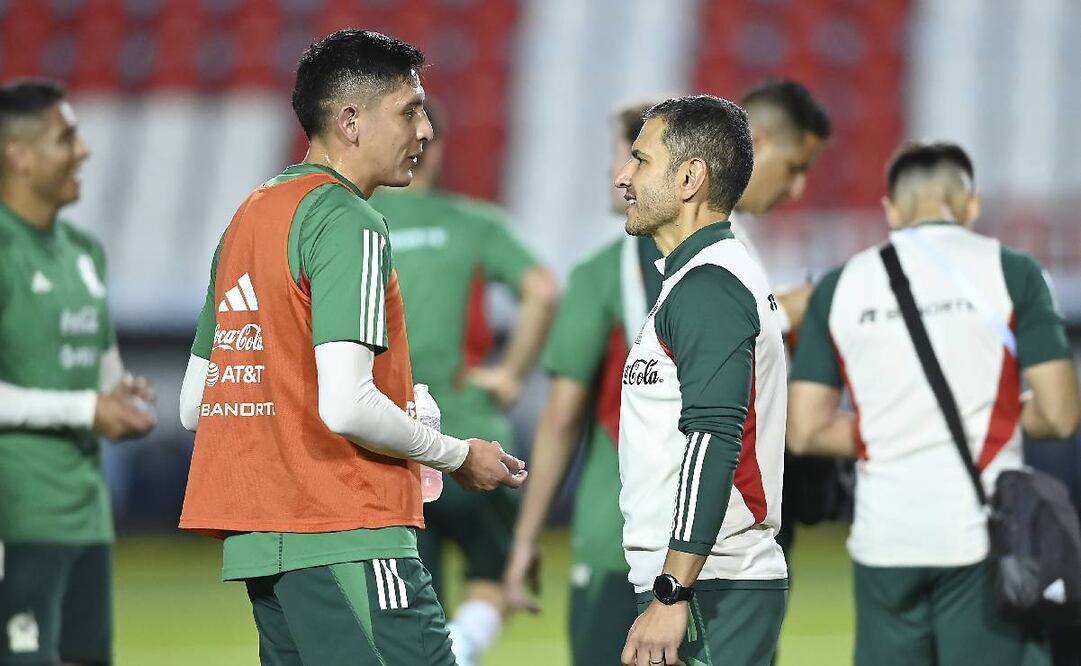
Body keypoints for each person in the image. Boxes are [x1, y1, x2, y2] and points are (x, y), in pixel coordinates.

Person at [177, 30, 526, 666]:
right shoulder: (349, 220)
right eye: (410, 110)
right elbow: (347, 406)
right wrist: (455, 454)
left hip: (264, 543)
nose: (425, 129)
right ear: (351, 120)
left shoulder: (248, 218)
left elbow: (195, 404)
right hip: (350, 532)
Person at [787, 141, 1081, 666]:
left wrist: (896, 429)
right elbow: (1060, 414)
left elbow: (805, 430)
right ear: (970, 204)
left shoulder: (839, 286)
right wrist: (989, 425)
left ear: (892, 210)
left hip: (884, 537)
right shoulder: (1014, 272)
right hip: (977, 534)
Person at [369, 102, 558, 666]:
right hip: (477, 432)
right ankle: (466, 646)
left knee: (405, 611)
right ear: (436, 147)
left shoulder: (355, 224)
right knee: (496, 574)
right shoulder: (475, 224)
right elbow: (543, 290)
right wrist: (509, 375)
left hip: (390, 445)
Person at [615, 95, 789, 666]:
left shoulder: (708, 287)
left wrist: (673, 589)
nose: (623, 176)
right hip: (700, 581)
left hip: (709, 584)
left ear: (690, 177)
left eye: (640, 161)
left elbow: (714, 438)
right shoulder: (695, 279)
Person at [0, 79, 156, 666]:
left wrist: (119, 394)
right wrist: (84, 411)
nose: (83, 151)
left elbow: (101, 367)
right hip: (16, 514)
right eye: (66, 138)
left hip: (87, 511)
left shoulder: (85, 252)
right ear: (17, 154)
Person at [502, 100, 663, 666]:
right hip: (720, 548)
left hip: (618, 541)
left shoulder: (601, 275)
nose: (612, 171)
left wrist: (525, 537)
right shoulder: (740, 268)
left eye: (627, 154)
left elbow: (562, 416)